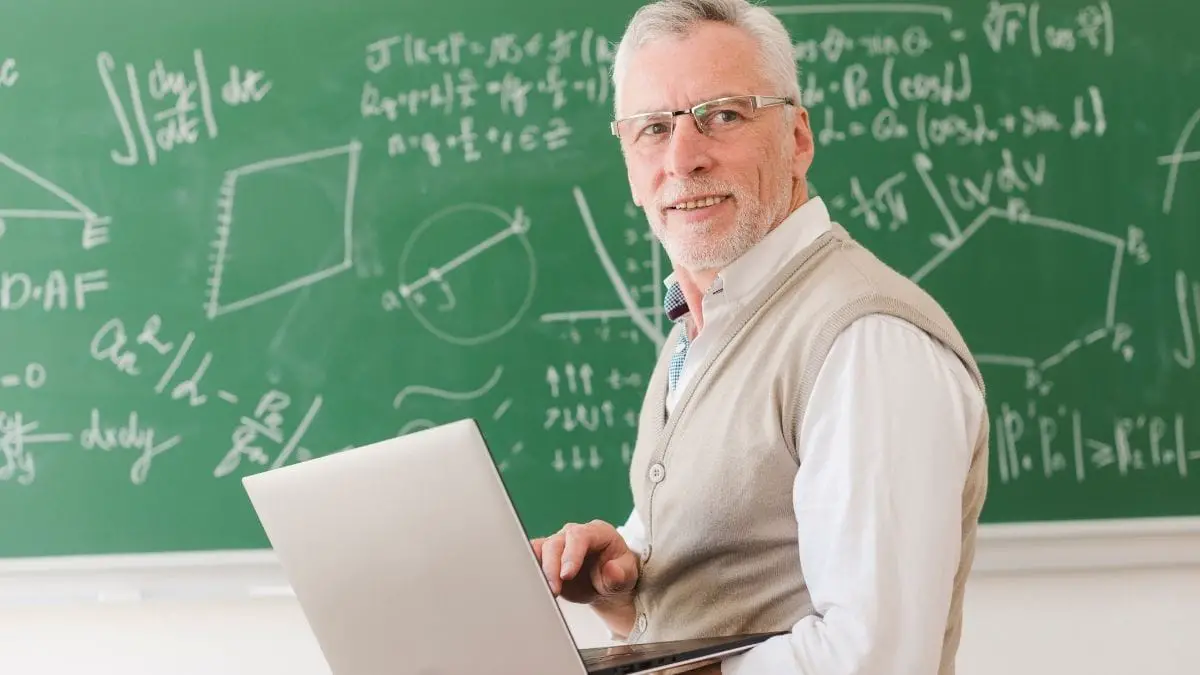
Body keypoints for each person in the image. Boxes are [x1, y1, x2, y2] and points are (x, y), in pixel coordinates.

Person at [530, 1, 990, 673]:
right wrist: (623, 590)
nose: (682, 159)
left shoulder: (866, 341)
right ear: (628, 163)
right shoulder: (697, 332)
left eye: (722, 115)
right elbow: (728, 600)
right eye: (653, 128)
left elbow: (876, 656)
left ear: (797, 139)